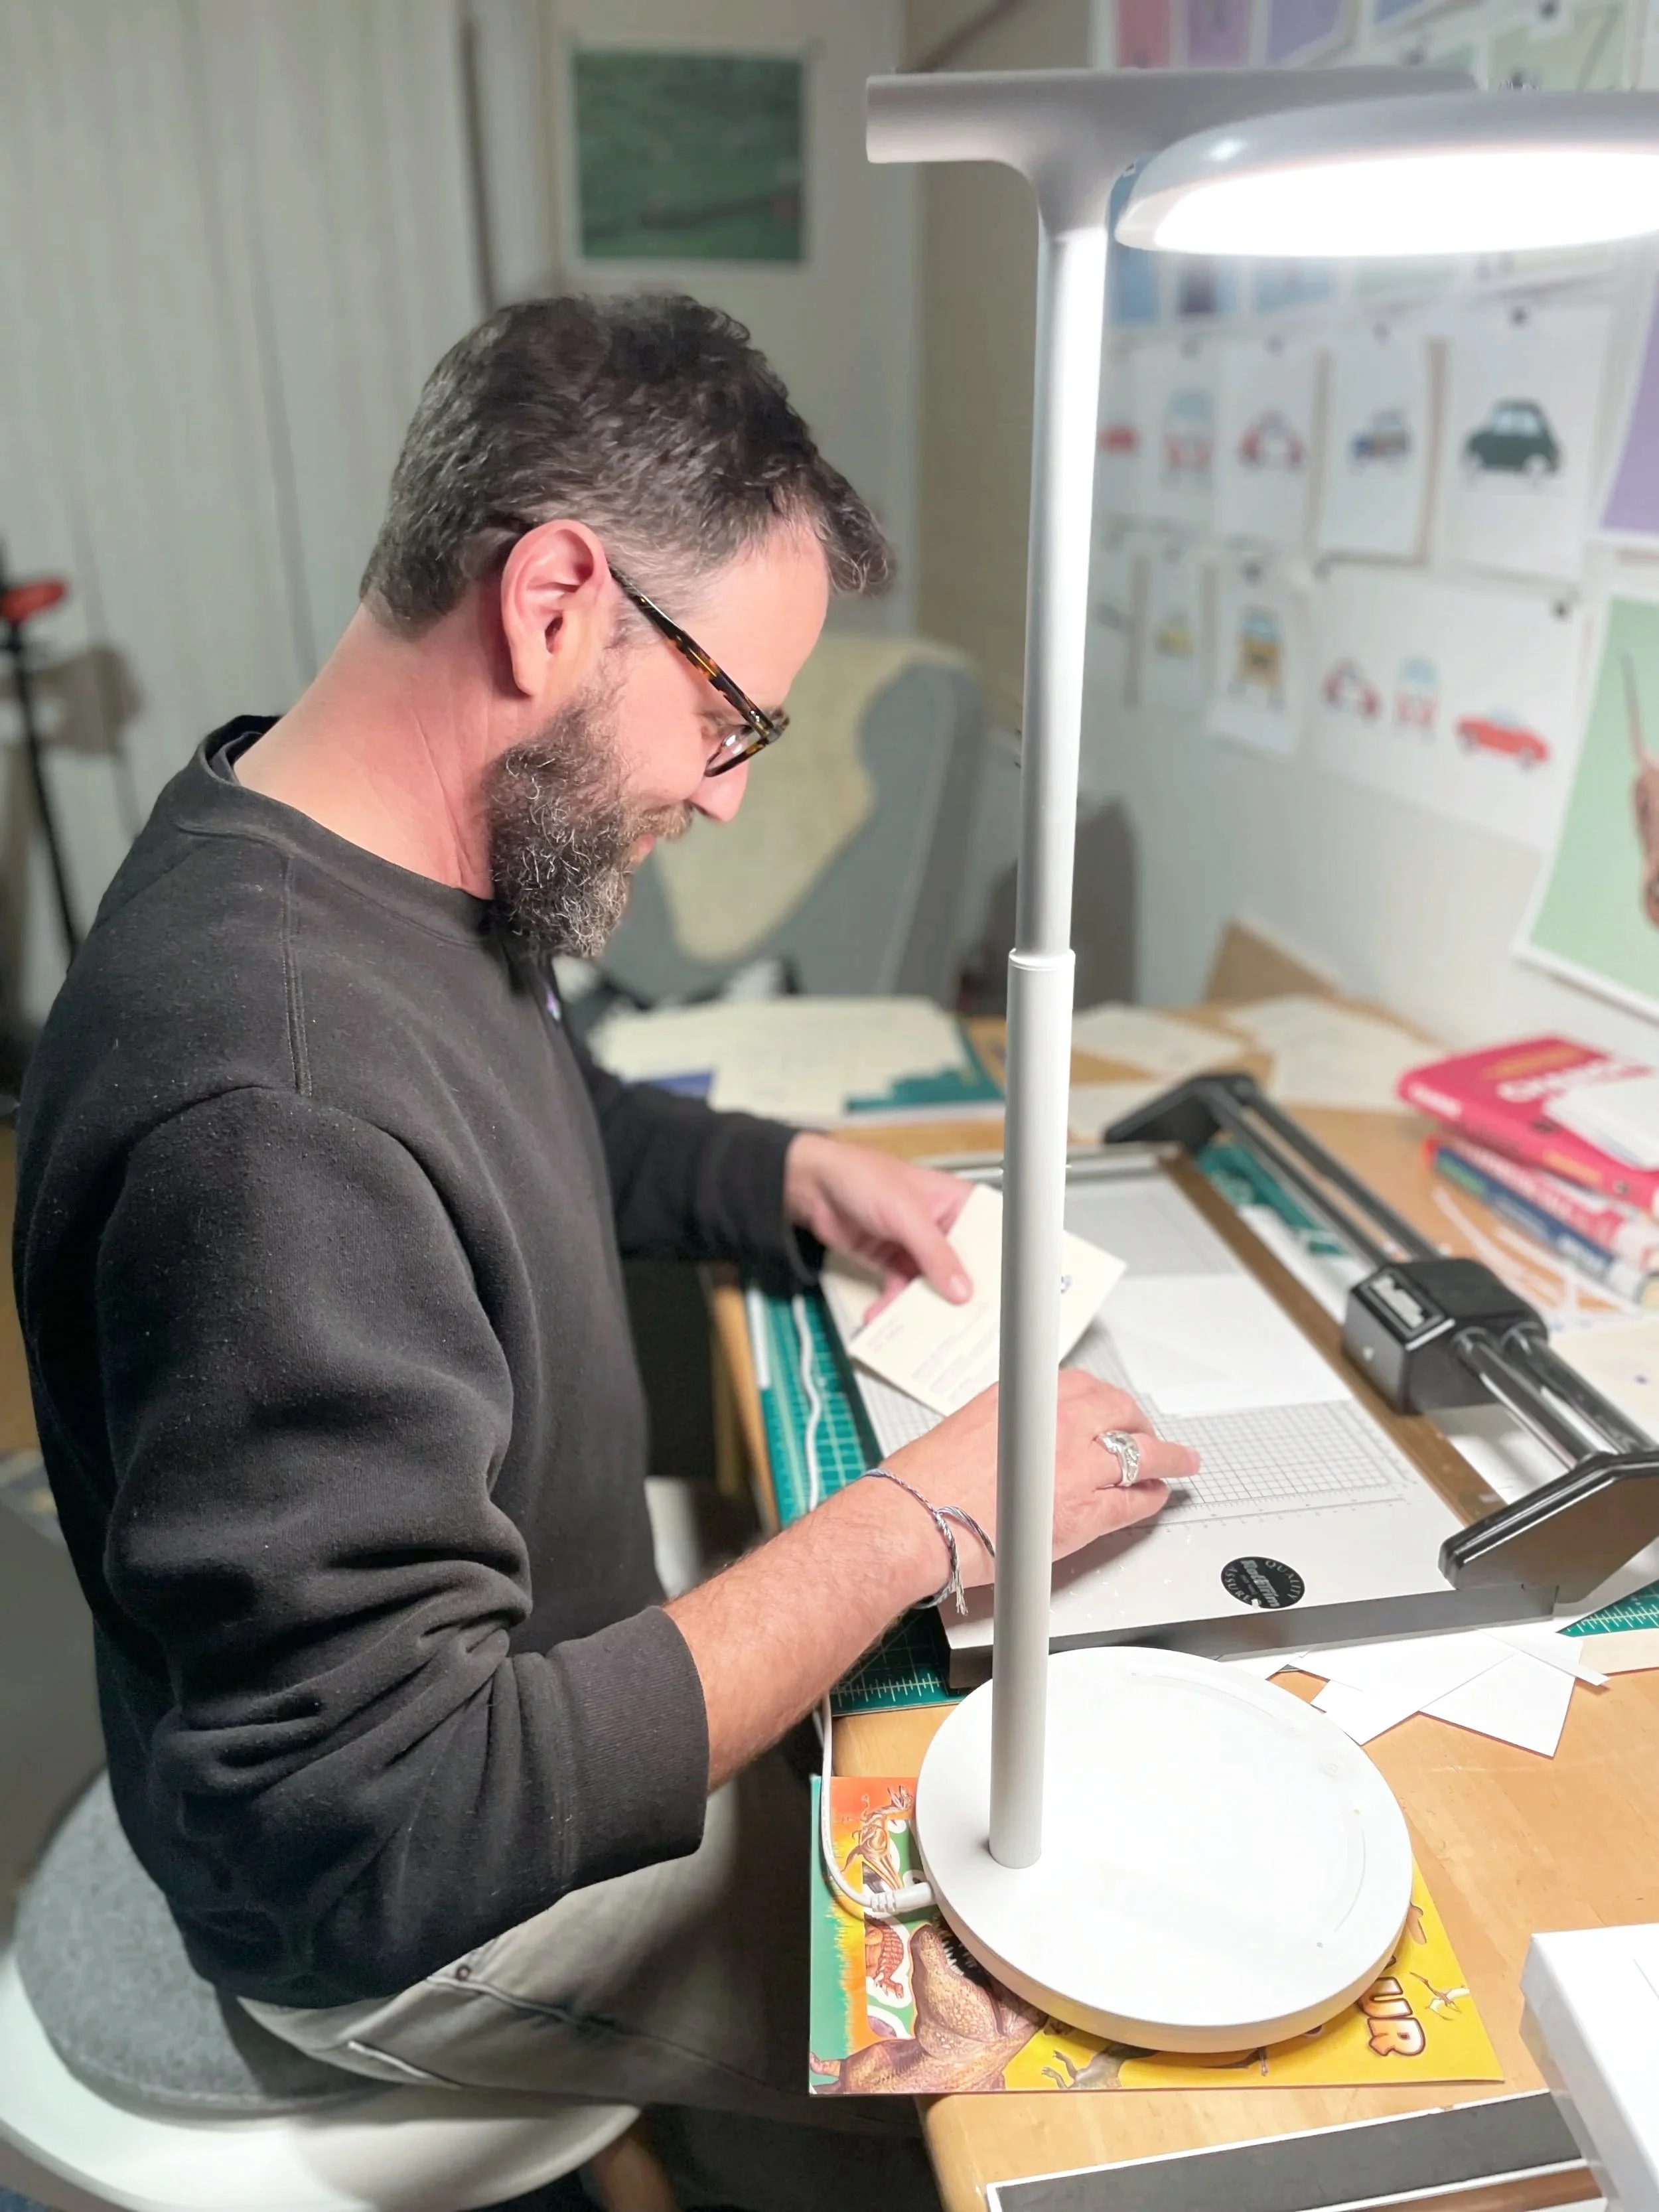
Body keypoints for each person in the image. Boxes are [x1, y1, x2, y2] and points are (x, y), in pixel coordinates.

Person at [13, 297, 1195, 2209]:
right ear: (558, 600)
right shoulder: (270, 1104)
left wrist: (788, 1167)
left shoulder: (369, 857)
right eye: (730, 714)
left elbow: (525, 1121)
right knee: (1086, 1971)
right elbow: (400, 1821)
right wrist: (918, 1518)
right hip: (423, 1918)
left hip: (534, 1664)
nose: (729, 787)